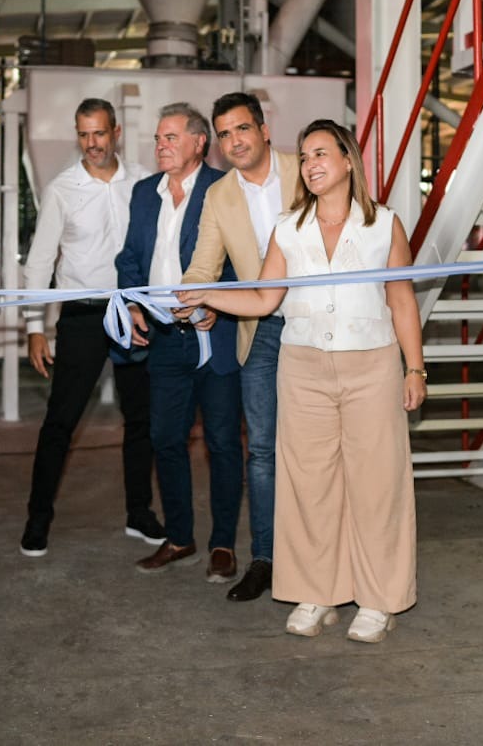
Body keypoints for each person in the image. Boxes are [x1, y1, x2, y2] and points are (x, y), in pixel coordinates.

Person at [176, 118, 424, 644]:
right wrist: (205, 295)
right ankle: (319, 592)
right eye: (305, 156)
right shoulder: (288, 227)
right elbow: (265, 300)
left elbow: (402, 300)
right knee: (309, 485)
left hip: (372, 365)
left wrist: (415, 367)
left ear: (348, 159)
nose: (311, 164)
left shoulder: (385, 225)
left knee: (377, 485)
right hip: (303, 369)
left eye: (320, 154)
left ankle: (379, 600)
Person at [19, 98, 159, 557]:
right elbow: (40, 261)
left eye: (99, 133)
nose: (92, 143)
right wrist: (35, 326)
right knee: (60, 421)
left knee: (141, 419)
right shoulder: (62, 188)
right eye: (83, 134)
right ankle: (37, 520)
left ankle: (139, 514)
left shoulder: (142, 181)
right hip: (81, 314)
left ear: (115, 131)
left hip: (135, 311)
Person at [178, 92, 300, 601]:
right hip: (263, 328)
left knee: (320, 447)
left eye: (242, 129)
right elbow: (204, 265)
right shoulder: (219, 195)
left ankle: (322, 558)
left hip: (322, 324)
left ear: (264, 128)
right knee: (265, 451)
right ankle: (266, 559)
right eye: (224, 134)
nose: (234, 142)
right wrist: (190, 298)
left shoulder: (306, 168)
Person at [116, 102, 242, 577]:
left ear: (198, 142)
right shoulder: (145, 192)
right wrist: (130, 303)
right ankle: (180, 536)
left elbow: (240, 260)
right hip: (164, 337)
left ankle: (224, 544)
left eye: (170, 138)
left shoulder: (225, 189)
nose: (160, 146)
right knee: (166, 438)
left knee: (223, 441)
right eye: (157, 138)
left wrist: (216, 303)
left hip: (215, 334)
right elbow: (130, 257)